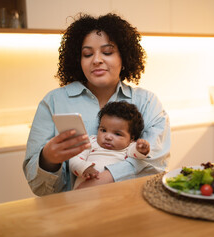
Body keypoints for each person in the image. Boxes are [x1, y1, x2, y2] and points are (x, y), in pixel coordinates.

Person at [23, 13, 171, 196]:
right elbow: (38, 186)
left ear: (124, 57)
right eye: (87, 54)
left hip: (132, 207)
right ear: (79, 60)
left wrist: (100, 180)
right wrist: (48, 159)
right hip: (70, 212)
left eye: (107, 52)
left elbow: (156, 162)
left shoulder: (147, 102)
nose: (96, 60)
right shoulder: (54, 102)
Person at [70, 101, 150, 190]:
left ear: (131, 138)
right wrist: (84, 168)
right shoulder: (91, 141)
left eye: (117, 134)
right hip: (82, 194)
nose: (107, 137)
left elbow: (136, 155)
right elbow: (74, 159)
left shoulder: (129, 147)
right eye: (103, 130)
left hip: (113, 194)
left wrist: (141, 149)